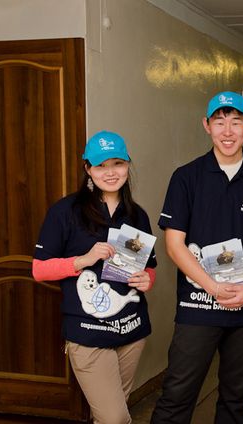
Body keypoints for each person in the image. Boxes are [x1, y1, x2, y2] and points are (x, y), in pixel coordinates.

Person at [151, 91, 243, 424]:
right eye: (219, 122)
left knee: (236, 399)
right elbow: (174, 245)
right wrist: (212, 287)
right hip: (198, 305)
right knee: (177, 395)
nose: (227, 131)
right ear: (206, 125)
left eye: (236, 122)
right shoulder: (187, 177)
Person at [32, 130, 157, 424]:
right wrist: (83, 260)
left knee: (111, 414)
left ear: (128, 164)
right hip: (87, 332)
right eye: (101, 166)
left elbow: (149, 267)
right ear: (88, 169)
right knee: (115, 418)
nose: (110, 173)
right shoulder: (65, 211)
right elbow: (39, 270)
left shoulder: (137, 215)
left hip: (131, 329)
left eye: (117, 164)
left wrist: (147, 280)